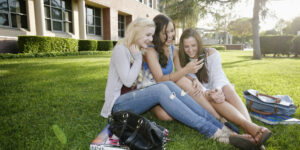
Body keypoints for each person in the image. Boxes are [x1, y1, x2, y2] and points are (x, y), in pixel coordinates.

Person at [100, 17, 239, 145]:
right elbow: (129, 82)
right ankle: (212, 131)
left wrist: (191, 78)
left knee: (167, 85)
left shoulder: (139, 49)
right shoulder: (121, 49)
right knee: (162, 88)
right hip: (117, 105)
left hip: (137, 98)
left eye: (151, 35)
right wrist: (137, 58)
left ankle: (218, 125)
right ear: (136, 32)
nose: (150, 39)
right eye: (148, 35)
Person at [144, 15, 272, 149]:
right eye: (165, 32)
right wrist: (191, 75)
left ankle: (248, 128)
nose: (170, 35)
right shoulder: (152, 50)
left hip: (174, 88)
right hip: (154, 90)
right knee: (165, 115)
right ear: (157, 33)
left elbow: (185, 73)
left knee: (222, 88)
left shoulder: (174, 50)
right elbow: (164, 78)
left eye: (172, 30)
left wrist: (195, 80)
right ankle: (225, 121)